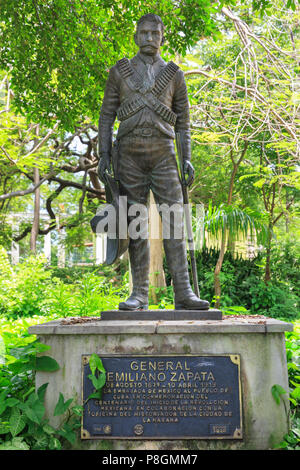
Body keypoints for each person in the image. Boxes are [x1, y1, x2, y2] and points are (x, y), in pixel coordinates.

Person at [98, 13, 209, 311]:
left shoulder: (174, 74)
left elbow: (184, 121)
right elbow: (107, 115)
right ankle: (140, 294)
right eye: (144, 33)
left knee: (174, 222)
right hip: (128, 156)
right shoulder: (119, 72)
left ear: (162, 37)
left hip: (163, 154)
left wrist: (187, 157)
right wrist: (104, 153)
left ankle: (184, 293)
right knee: (136, 225)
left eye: (154, 34)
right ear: (136, 36)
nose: (149, 38)